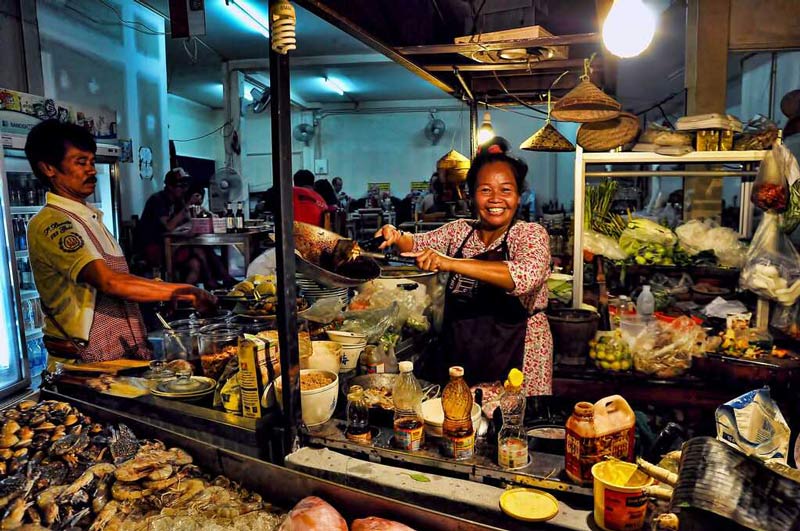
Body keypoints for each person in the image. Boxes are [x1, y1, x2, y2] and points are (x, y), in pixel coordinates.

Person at [24, 120, 215, 364]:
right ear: (49, 168)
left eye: (92, 162)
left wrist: (157, 290)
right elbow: (109, 281)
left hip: (119, 353)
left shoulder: (90, 217)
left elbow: (121, 278)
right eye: (81, 162)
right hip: (85, 364)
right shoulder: (53, 222)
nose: (91, 170)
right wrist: (187, 291)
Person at [375, 137, 552, 396]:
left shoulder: (529, 235)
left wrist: (450, 263)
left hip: (519, 359)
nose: (495, 199)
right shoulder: (460, 231)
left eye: (506, 190)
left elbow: (524, 276)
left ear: (518, 195)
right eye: (485, 190)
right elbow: (416, 242)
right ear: (471, 194)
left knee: (512, 429)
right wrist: (395, 235)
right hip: (465, 354)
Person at [135, 167, 196, 277]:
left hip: (172, 244)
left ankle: (216, 283)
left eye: (185, 186)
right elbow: (169, 226)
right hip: (154, 246)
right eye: (180, 186)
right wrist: (186, 206)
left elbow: (188, 221)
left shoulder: (178, 201)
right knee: (198, 252)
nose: (184, 190)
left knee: (197, 261)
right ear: (170, 186)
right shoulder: (158, 200)